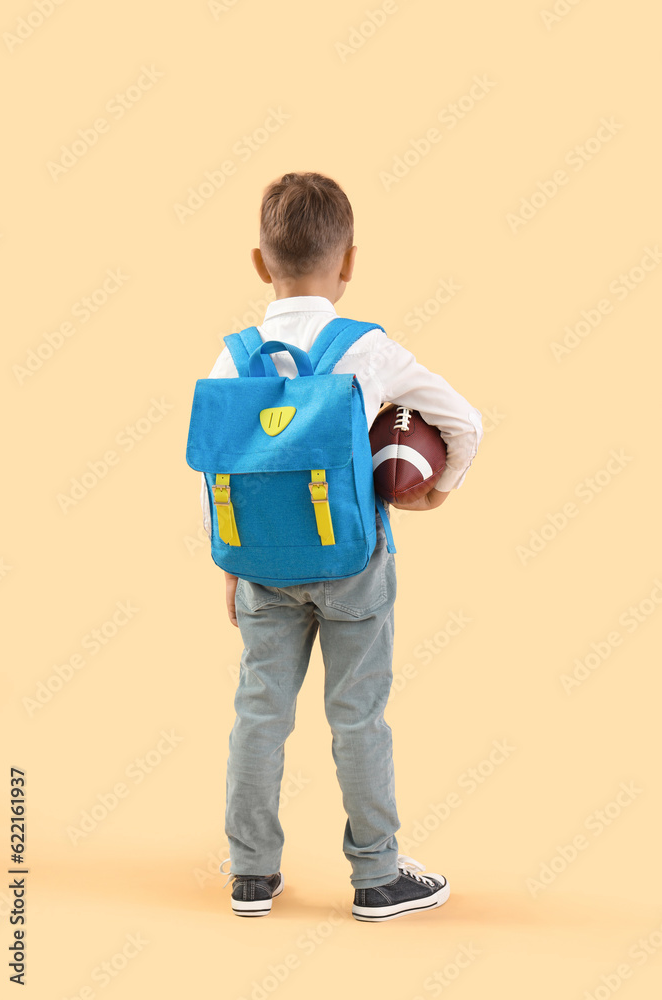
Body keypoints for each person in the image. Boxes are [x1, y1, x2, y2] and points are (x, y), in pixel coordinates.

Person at [199, 171, 484, 921]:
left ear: (260, 263)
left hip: (259, 565)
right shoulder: (369, 350)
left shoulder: (231, 358)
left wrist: (228, 562)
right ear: (348, 262)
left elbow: (215, 469)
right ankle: (377, 877)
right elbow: (464, 422)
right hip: (353, 564)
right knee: (357, 717)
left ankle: (252, 874)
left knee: (259, 714)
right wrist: (435, 490)